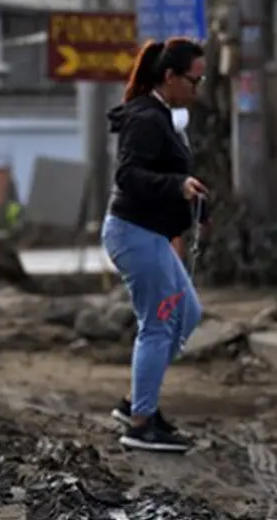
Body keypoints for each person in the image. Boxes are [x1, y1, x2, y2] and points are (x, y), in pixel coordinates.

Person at [101, 37, 207, 454]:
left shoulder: (161, 115)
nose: (197, 88)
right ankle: (141, 421)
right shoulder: (146, 118)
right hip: (134, 233)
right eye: (193, 80)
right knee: (159, 324)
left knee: (187, 314)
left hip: (151, 234)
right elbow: (128, 176)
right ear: (169, 76)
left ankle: (137, 402)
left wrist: (191, 199)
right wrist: (176, 184)